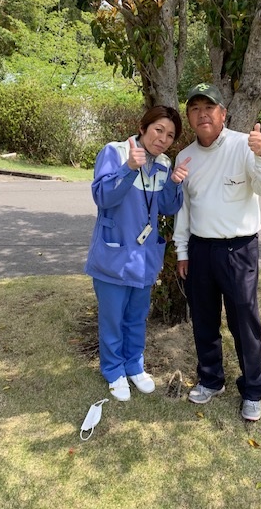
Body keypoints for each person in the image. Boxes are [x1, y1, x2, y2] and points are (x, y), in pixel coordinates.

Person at [173, 84, 261, 421]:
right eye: (195, 109)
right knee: (204, 319)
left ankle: (252, 391)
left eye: (209, 107)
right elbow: (184, 210)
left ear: (223, 114)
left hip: (239, 249)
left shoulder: (244, 145)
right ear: (189, 117)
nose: (202, 114)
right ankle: (211, 380)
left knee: (244, 322)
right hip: (200, 249)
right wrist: (182, 251)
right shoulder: (185, 156)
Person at [85, 106, 190, 401]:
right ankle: (113, 370)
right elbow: (103, 196)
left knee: (136, 317)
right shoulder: (116, 152)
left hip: (144, 258)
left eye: (170, 135)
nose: (163, 139)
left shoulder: (163, 163)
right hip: (114, 255)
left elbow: (167, 207)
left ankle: (134, 365)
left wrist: (174, 183)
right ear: (143, 128)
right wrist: (129, 168)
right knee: (112, 319)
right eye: (158, 130)